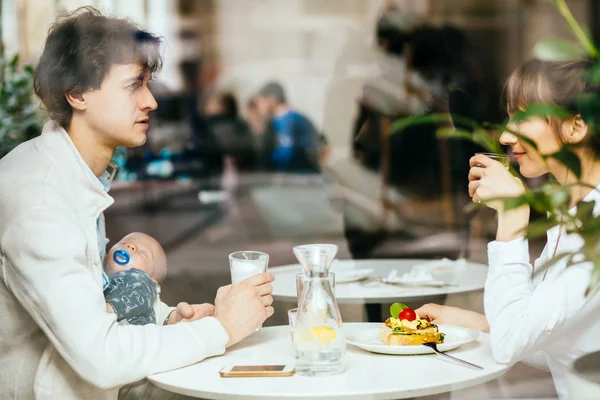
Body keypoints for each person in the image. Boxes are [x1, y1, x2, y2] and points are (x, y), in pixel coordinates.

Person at [0, 7, 274, 399]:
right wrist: (220, 329)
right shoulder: (40, 200)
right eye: (134, 85)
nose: (151, 101)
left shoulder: (72, 173)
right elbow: (101, 357)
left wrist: (166, 321)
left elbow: (92, 304)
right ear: (77, 93)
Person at [416, 59, 600, 399]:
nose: (504, 135)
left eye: (522, 116)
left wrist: (513, 217)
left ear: (576, 127)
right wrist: (468, 321)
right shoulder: (577, 213)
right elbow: (547, 340)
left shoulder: (594, 229)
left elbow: (510, 345)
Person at [103, 232, 204, 326]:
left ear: (152, 282)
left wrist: (108, 308)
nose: (130, 247)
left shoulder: (142, 283)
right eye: (124, 243)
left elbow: (162, 313)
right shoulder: (97, 273)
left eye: (143, 253)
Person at [255, 81, 321, 173]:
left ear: (272, 100)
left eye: (261, 101)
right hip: (308, 176)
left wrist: (264, 162)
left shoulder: (284, 121)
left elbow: (285, 155)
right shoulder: (301, 118)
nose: (259, 107)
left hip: (294, 179)